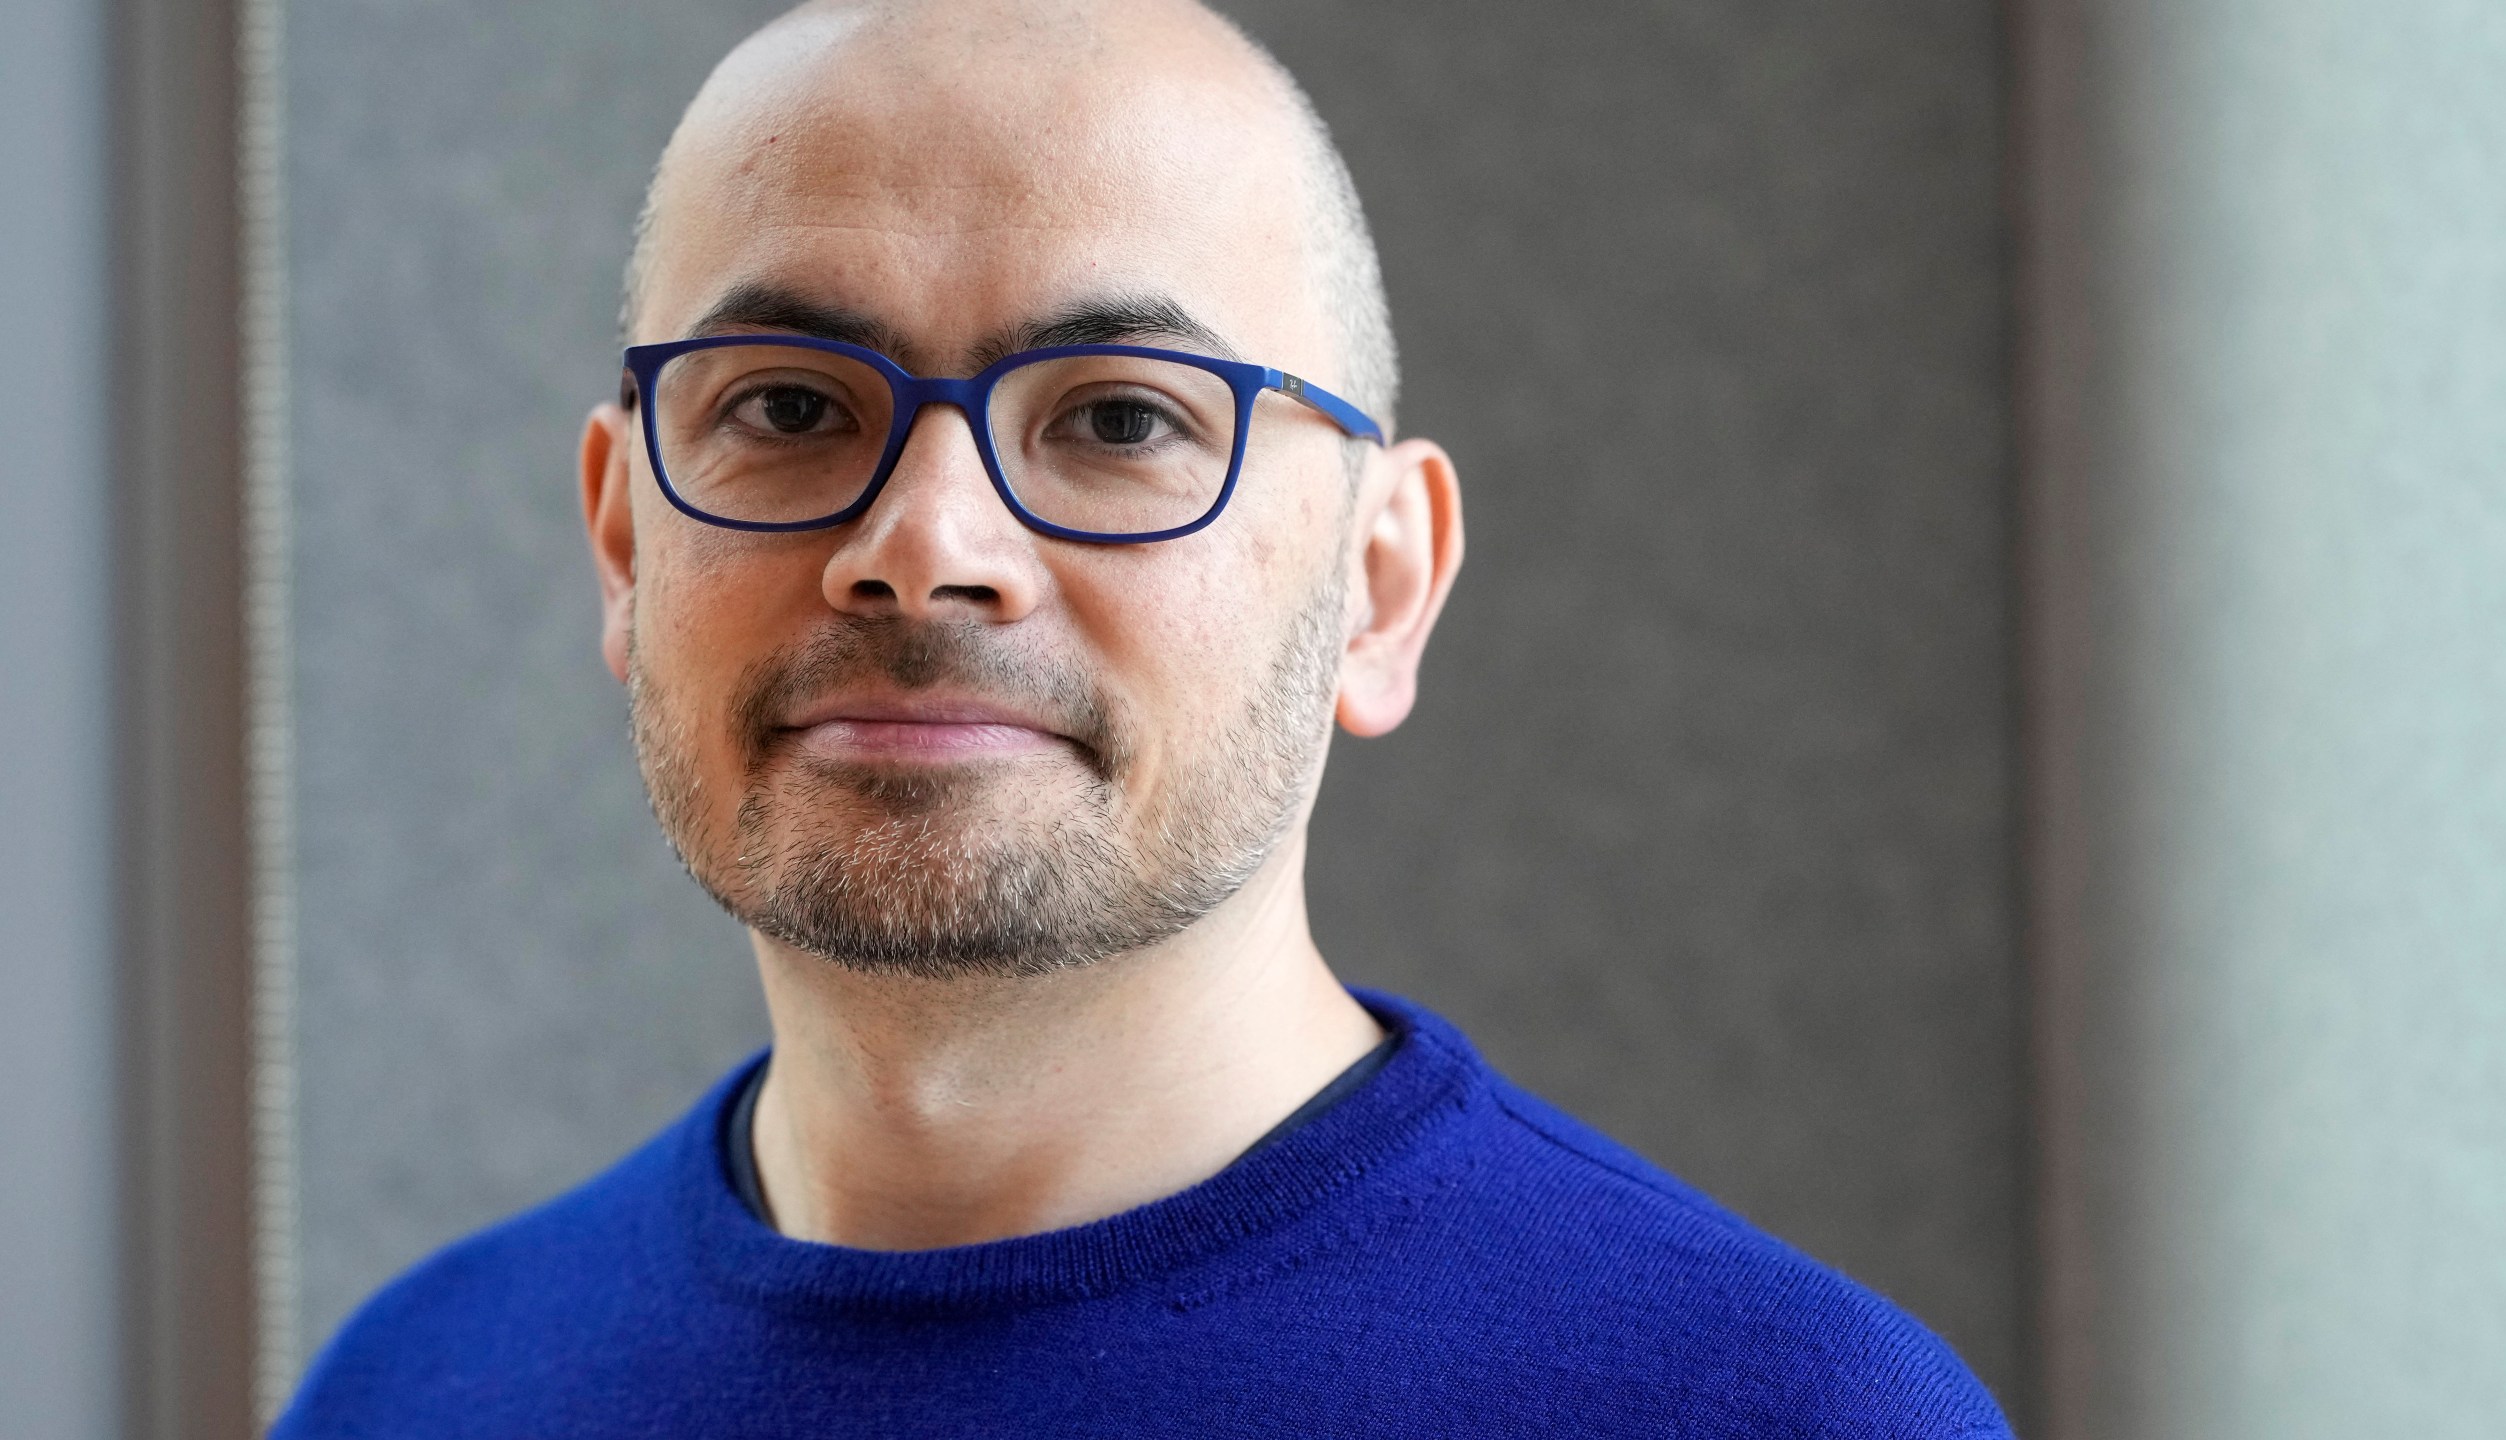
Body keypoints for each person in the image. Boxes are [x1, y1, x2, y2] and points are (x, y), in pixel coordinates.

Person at [276, 1, 2011, 1434]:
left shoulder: (1775, 1413)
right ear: (623, 542)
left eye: (1118, 420)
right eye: (790, 405)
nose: (926, 548)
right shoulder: (411, 1392)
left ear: (1380, 586)